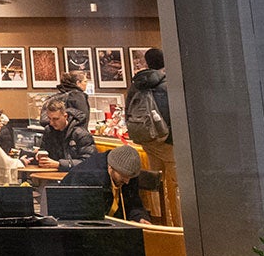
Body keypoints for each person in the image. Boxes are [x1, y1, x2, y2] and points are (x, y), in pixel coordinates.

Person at [127, 47, 179, 225]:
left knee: (155, 183)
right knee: (176, 185)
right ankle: (178, 226)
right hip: (168, 141)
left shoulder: (137, 84)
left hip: (147, 140)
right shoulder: (167, 84)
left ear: (147, 63)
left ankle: (157, 221)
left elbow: (128, 112)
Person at [61, 143, 150, 223]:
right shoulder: (91, 178)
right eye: (123, 176)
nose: (127, 181)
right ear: (110, 168)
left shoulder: (128, 171)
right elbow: (91, 219)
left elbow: (134, 203)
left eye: (130, 177)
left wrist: (139, 218)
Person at [35, 98, 95, 171]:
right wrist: (39, 155)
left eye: (55, 119)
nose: (51, 123)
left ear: (65, 116)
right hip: (53, 174)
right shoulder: (49, 131)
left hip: (75, 177)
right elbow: (44, 150)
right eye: (49, 119)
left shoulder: (81, 134)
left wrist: (60, 164)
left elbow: (89, 162)